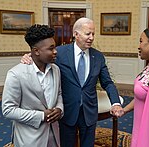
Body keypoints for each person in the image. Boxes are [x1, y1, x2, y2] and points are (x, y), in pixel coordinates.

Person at [21, 17, 124, 147]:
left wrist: (115, 103)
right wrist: (28, 56)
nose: (91, 37)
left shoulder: (98, 57)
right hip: (67, 111)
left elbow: (107, 83)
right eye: (88, 33)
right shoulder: (60, 52)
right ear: (76, 34)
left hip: (89, 111)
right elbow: (41, 56)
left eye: (93, 34)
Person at [2, 24, 64, 147]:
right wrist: (41, 116)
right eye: (51, 48)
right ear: (36, 51)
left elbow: (59, 94)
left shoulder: (56, 69)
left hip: (54, 135)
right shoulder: (16, 74)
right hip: (30, 139)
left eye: (55, 47)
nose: (55, 51)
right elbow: (8, 110)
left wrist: (59, 109)